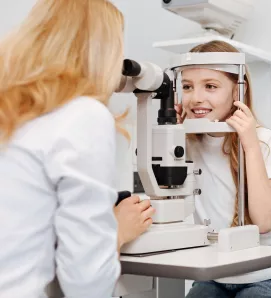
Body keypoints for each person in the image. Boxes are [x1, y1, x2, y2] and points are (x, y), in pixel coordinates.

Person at [0, 0, 154, 297]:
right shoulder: (81, 114)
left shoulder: (12, 111)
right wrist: (117, 232)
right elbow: (87, 284)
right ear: (103, 54)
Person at [175, 40, 271, 298]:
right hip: (214, 273)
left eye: (210, 86)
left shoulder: (261, 139)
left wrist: (249, 146)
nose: (196, 97)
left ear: (237, 93)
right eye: (187, 87)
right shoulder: (185, 142)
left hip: (264, 274)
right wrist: (169, 136)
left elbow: (264, 222)